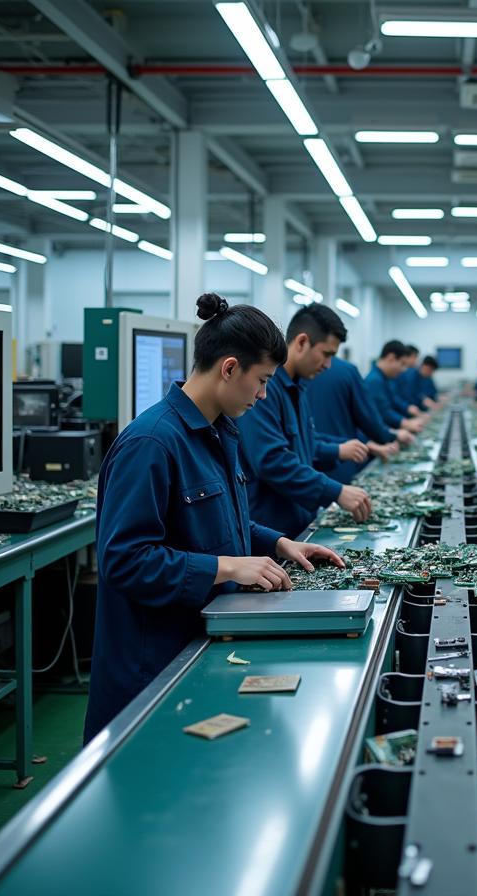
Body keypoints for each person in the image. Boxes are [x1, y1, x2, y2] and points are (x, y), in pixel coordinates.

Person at [85, 293, 342, 743]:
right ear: (229, 368)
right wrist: (226, 566)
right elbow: (124, 561)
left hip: (203, 641)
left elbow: (221, 520)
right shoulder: (151, 444)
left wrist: (279, 543)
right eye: (261, 381)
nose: (264, 395)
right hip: (152, 669)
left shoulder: (219, 431)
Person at [237, 303, 373, 542]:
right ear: (301, 342)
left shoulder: (297, 387)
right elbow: (272, 460)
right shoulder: (263, 390)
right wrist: (335, 491)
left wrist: (338, 450)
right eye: (327, 354)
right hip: (271, 535)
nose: (328, 365)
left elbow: (304, 443)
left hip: (299, 525)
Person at [308, 354, 405, 484]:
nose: (327, 365)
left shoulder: (302, 377)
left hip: (326, 460)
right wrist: (391, 435)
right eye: (402, 364)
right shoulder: (353, 373)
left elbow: (308, 437)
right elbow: (368, 419)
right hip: (339, 464)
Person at [365, 340, 425, 434]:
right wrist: (406, 424)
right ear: (391, 358)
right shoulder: (374, 381)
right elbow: (383, 412)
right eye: (402, 364)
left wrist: (407, 412)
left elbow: (392, 402)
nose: (403, 370)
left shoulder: (384, 379)